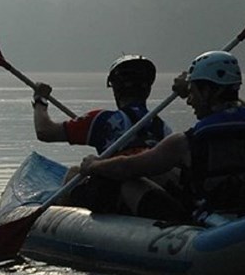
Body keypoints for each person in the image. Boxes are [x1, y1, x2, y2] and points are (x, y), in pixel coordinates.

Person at [79, 50, 245, 223]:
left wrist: (95, 165)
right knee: (171, 174)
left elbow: (128, 168)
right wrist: (191, 86)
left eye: (193, 93)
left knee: (129, 184)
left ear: (208, 92)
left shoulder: (186, 142)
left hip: (215, 219)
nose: (189, 101)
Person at [32, 55, 183, 218]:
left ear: (115, 89)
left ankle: (58, 222)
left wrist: (40, 100)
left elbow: (45, 131)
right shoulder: (163, 128)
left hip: (117, 194)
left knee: (74, 173)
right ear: (147, 89)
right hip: (151, 193)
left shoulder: (102, 120)